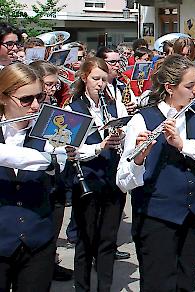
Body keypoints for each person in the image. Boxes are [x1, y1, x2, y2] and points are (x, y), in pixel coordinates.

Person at [117, 54, 195, 292]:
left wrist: (183, 145)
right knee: (159, 284)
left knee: (187, 282)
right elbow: (123, 180)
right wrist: (139, 157)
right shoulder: (142, 119)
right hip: (157, 217)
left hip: (194, 213)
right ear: (169, 88)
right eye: (190, 86)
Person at [0, 63, 69, 291]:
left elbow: (59, 160)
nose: (36, 106)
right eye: (26, 100)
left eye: (40, 97)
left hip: (37, 242)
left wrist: (54, 157)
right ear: (3, 98)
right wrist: (46, 158)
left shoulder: (50, 130)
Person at [65, 57, 128, 292]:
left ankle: (105, 286)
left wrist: (120, 135)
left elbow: (125, 132)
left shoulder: (112, 104)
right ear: (84, 78)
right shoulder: (73, 108)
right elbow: (71, 151)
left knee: (108, 239)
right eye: (95, 79)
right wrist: (100, 146)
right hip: (87, 179)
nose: (100, 84)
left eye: (104, 79)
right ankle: (82, 287)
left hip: (111, 178)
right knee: (86, 239)